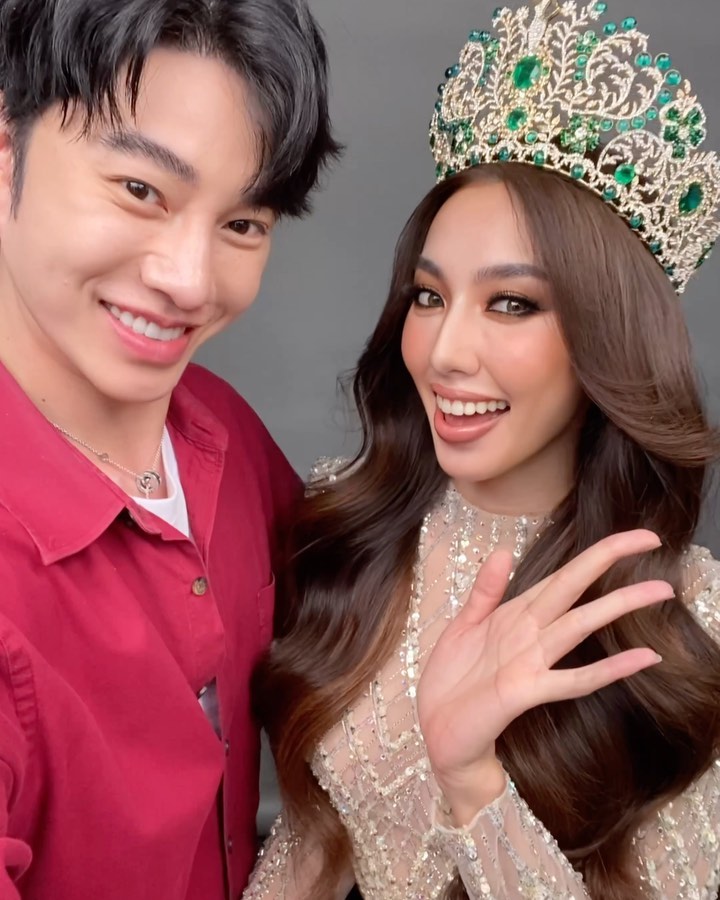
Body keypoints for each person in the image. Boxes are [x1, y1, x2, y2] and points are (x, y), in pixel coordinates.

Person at [244, 1, 720, 898]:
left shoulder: (685, 614)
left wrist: (473, 784)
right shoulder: (351, 530)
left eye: (512, 304)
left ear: (607, 340)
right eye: (429, 296)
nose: (444, 351)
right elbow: (311, 843)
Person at [0, 1, 340, 898]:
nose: (189, 282)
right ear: (5, 151)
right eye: (141, 191)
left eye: (243, 224)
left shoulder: (221, 431)